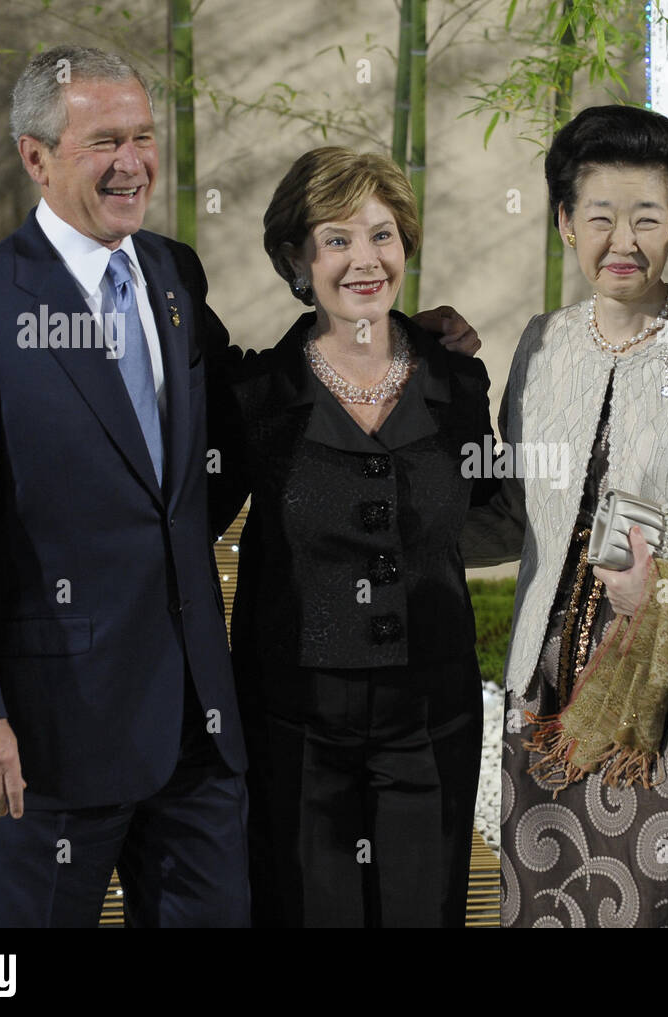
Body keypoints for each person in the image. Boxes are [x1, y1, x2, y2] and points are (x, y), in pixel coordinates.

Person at [0, 45, 251, 926]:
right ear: (35, 156)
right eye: (103, 142)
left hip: (196, 733)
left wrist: (383, 339)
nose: (133, 163)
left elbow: (231, 422)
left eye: (142, 136)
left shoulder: (171, 274)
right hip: (41, 747)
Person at [464, 105, 668, 928]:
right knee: (545, 903)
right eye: (601, 215)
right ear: (565, 221)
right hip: (547, 685)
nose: (623, 238)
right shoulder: (540, 344)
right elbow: (517, 509)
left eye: (647, 216)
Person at [209, 147, 496, 928]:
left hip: (431, 718)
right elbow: (181, 523)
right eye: (336, 239)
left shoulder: (459, 383)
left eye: (382, 235)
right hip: (294, 723)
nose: (364, 259)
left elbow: (503, 508)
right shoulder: (258, 398)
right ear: (295, 260)